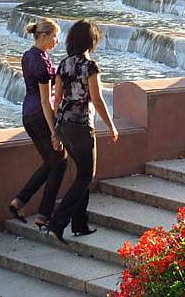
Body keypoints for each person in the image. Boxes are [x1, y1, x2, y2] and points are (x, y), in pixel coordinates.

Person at [47, 19, 118, 243]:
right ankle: (58, 222)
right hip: (81, 125)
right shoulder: (90, 66)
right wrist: (112, 126)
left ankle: (80, 224)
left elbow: (56, 99)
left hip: (64, 125)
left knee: (81, 174)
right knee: (87, 175)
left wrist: (55, 132)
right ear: (91, 41)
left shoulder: (63, 64)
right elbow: (97, 100)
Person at [10, 18, 68, 230]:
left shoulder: (29, 56)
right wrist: (54, 131)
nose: (56, 41)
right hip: (39, 115)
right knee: (60, 162)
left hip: (28, 113)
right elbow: (46, 101)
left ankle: (20, 201)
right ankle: (44, 213)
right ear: (43, 36)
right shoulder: (42, 64)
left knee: (52, 162)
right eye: (54, 36)